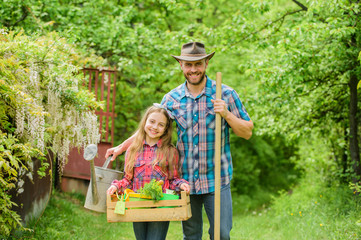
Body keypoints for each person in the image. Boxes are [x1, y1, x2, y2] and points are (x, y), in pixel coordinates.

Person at [106, 42, 254, 240]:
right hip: (187, 180)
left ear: (206, 63)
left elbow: (247, 132)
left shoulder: (224, 94)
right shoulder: (172, 99)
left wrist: (226, 113)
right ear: (181, 65)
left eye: (198, 64)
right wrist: (121, 147)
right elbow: (149, 130)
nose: (193, 70)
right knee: (191, 235)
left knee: (221, 233)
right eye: (188, 65)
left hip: (217, 178)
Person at [106, 104, 190, 240]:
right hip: (138, 205)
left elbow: (173, 179)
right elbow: (128, 180)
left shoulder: (170, 151)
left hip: (160, 205)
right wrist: (116, 186)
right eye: (152, 121)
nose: (155, 127)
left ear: (166, 129)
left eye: (161, 124)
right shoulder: (132, 150)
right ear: (145, 121)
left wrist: (181, 185)